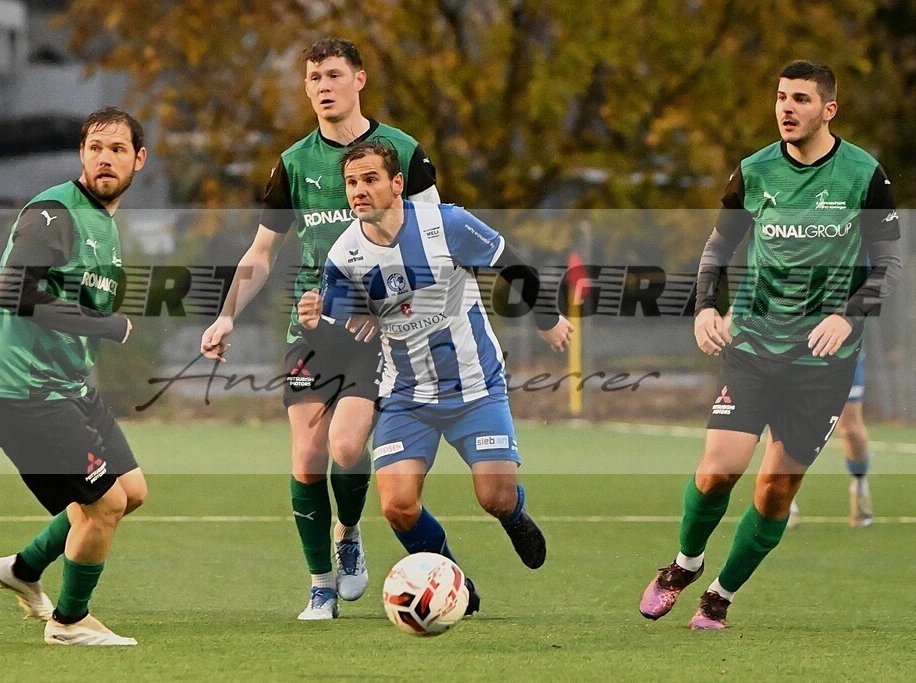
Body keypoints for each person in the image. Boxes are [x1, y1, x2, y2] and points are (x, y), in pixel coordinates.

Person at [639, 61, 900, 630]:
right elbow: (718, 246)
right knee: (716, 472)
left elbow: (890, 263)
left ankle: (721, 596)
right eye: (781, 97)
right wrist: (707, 304)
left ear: (828, 110)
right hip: (754, 346)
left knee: (776, 491)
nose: (786, 108)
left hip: (823, 364)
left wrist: (849, 316)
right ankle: (684, 565)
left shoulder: (864, 175)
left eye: (801, 99)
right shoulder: (753, 171)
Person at [200, 38, 439, 620]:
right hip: (310, 328)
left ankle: (349, 528)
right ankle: (320, 585)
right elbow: (261, 251)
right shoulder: (292, 163)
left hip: (377, 328)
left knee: (348, 447)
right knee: (307, 458)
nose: (323, 85)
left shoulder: (403, 151)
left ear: (360, 79)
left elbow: (433, 241)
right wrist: (227, 311)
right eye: (313, 77)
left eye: (334, 74)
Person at [297, 140, 575, 613]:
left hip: (475, 385)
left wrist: (546, 319)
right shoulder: (344, 255)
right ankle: (454, 584)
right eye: (351, 183)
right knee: (397, 506)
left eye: (370, 180)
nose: (359, 191)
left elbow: (513, 264)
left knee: (495, 497)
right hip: (405, 395)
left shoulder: (447, 224)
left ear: (397, 184)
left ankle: (513, 512)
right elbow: (349, 336)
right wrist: (317, 319)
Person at [0, 107, 148, 646]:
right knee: (105, 504)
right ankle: (70, 623)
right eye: (96, 147)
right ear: (82, 154)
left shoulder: (105, 226)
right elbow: (14, 291)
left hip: (70, 389)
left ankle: (23, 570)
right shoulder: (54, 212)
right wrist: (108, 324)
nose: (105, 157)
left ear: (138, 160)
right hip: (23, 394)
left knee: (131, 491)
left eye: (118, 149)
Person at [787, 354, 874, 529]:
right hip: (794, 344)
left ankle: (859, 483)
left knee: (850, 429)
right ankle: (784, 496)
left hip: (842, 348)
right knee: (792, 421)